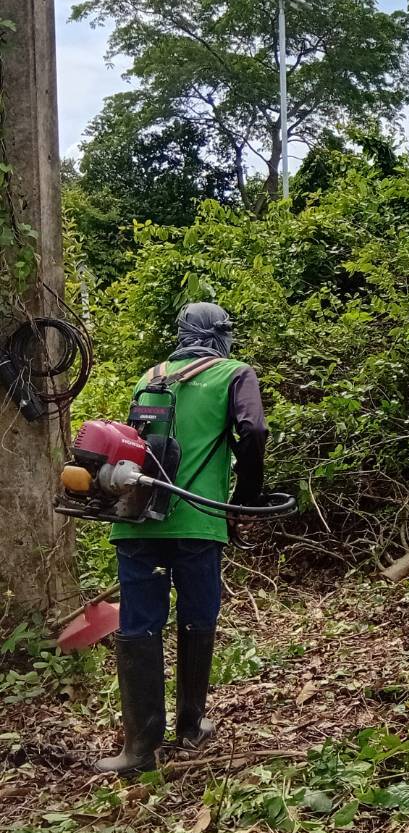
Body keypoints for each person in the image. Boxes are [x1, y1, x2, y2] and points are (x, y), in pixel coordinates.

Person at [98, 303, 268, 774]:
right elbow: (253, 430)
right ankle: (191, 728)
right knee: (197, 618)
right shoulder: (235, 373)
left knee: (139, 624)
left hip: (136, 524)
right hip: (198, 523)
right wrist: (243, 501)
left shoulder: (150, 377)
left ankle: (139, 750)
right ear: (221, 335)